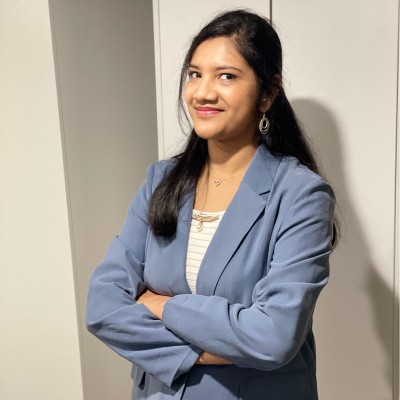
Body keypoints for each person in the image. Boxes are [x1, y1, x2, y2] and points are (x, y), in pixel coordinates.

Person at [86, 9, 338, 400]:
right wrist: (209, 349)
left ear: (268, 93)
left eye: (226, 76)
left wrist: (164, 306)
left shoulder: (301, 194)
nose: (202, 92)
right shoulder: (160, 181)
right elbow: (103, 307)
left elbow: (273, 337)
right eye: (194, 74)